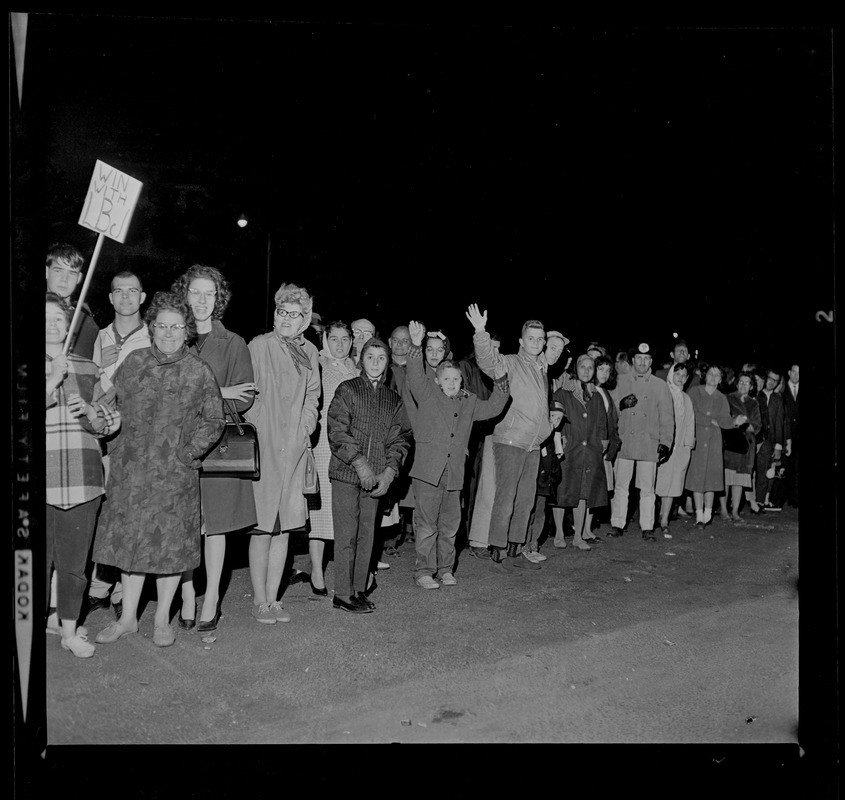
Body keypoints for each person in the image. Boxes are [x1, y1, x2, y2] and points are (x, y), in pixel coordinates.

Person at [92, 291, 225, 648]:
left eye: (176, 327)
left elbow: (214, 420)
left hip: (175, 476)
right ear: (151, 328)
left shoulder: (199, 371)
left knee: (171, 550)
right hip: (131, 471)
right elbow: (108, 404)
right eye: (161, 326)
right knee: (130, 546)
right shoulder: (134, 362)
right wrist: (105, 429)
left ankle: (163, 621)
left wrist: (189, 453)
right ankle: (128, 619)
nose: (168, 333)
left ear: (187, 331)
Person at [171, 265, 257, 632]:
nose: (202, 300)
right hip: (181, 447)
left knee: (216, 527)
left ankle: (211, 600)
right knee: (187, 525)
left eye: (209, 293)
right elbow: (167, 391)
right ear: (185, 295)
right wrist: (217, 393)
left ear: (218, 298)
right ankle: (188, 596)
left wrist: (205, 398)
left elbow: (244, 398)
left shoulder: (234, 342)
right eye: (195, 292)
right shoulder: (174, 337)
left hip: (219, 448)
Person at [405, 320, 509, 587]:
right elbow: (415, 374)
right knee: (427, 526)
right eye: (446, 379)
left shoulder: (469, 402)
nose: (451, 383)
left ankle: (446, 569)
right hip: (427, 473)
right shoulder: (427, 393)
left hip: (454, 475)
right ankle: (424, 572)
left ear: (461, 381)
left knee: (450, 527)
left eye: (456, 379)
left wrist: (501, 378)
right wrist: (416, 344)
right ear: (438, 381)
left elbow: (496, 406)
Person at [46, 293, 121, 656]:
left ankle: (70, 631)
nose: (52, 325)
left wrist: (91, 412)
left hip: (80, 478)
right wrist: (49, 383)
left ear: (70, 326)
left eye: (59, 318)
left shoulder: (88, 368)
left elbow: (112, 420)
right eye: (44, 318)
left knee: (75, 566)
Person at [245, 283, 321, 624]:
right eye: (282, 312)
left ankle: (275, 598)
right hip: (265, 447)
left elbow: (313, 397)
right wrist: (260, 423)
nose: (287, 319)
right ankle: (260, 600)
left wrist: (305, 427)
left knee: (285, 529)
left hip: (294, 449)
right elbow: (246, 394)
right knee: (263, 528)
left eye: (295, 314)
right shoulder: (259, 346)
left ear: (305, 319)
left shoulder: (311, 352)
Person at [465, 304, 554, 570]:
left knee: (526, 498)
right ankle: (498, 549)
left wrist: (547, 427)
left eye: (540, 339)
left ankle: (516, 548)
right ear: (521, 341)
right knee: (505, 497)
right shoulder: (511, 362)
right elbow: (487, 361)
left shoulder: (541, 369)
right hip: (511, 439)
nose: (536, 343)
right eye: (531, 339)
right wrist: (481, 331)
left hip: (534, 444)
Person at [327, 337, 413, 612]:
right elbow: (338, 431)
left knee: (367, 534)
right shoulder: (347, 390)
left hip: (376, 479)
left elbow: (401, 439)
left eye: (381, 358)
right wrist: (360, 464)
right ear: (360, 360)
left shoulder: (393, 400)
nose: (375, 363)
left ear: (388, 364)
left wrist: (388, 473)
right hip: (346, 474)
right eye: (370, 357)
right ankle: (342, 593)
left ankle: (358, 588)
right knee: (346, 534)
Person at [86, 270, 151, 619]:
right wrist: (101, 373)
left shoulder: (153, 337)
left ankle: (125, 591)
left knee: (132, 511)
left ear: (142, 297)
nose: (125, 297)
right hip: (103, 433)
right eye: (118, 292)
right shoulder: (97, 337)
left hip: (138, 436)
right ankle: (99, 584)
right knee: (105, 508)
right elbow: (86, 382)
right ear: (110, 298)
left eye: (132, 291)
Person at [306, 321, 359, 595]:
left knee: (346, 509)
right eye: (334, 339)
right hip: (324, 445)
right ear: (326, 339)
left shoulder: (356, 368)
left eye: (345, 339)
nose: (340, 344)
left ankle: (349, 572)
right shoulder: (319, 364)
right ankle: (316, 570)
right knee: (321, 510)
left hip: (350, 446)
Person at [608, 342, 674, 542]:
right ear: (633, 360)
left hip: (648, 443)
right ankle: (617, 523)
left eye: (646, 359)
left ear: (651, 361)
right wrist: (621, 404)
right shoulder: (620, 381)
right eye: (639, 358)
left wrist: (666, 442)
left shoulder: (660, 385)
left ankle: (647, 526)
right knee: (621, 486)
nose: (642, 362)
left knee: (647, 489)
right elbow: (609, 412)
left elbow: (667, 417)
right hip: (625, 441)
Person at [553, 355, 609, 551]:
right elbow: (554, 420)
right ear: (575, 369)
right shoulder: (563, 393)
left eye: (590, 367)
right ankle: (559, 534)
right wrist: (560, 440)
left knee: (584, 493)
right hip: (569, 449)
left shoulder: (596, 396)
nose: (586, 371)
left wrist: (602, 443)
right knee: (563, 490)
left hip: (590, 451)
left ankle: (578, 536)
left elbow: (602, 423)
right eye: (582, 367)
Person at [684, 364, 748, 529]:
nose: (713, 377)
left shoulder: (721, 398)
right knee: (698, 477)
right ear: (705, 376)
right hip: (697, 439)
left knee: (711, 478)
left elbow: (724, 420)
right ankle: (699, 516)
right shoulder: (695, 392)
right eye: (710, 374)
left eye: (717, 375)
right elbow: (691, 413)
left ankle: (708, 514)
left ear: (720, 380)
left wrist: (735, 422)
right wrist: (711, 421)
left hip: (714, 441)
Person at [655, 362, 696, 535]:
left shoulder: (686, 399)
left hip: (679, 449)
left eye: (683, 376)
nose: (679, 378)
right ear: (671, 375)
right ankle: (652, 517)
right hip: (663, 446)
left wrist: (686, 448)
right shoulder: (663, 393)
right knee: (658, 482)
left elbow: (689, 424)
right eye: (677, 374)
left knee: (673, 484)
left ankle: (665, 519)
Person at [524, 401, 564, 561]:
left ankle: (533, 545)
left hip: (544, 485)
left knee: (540, 515)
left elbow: (554, 465)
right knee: (529, 514)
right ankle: (524, 546)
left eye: (559, 418)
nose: (555, 421)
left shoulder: (554, 439)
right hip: (533, 483)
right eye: (552, 416)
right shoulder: (537, 436)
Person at [45, 243, 99, 359]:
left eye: (72, 273)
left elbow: (94, 368)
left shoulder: (88, 323)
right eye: (58, 270)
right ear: (46, 271)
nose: (64, 279)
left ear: (79, 278)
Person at [720, 372, 762, 520]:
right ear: (737, 384)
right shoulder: (728, 398)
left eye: (747, 383)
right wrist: (735, 420)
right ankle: (724, 510)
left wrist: (747, 424)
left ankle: (736, 511)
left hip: (746, 445)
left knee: (739, 480)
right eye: (741, 382)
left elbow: (757, 425)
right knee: (726, 477)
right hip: (731, 443)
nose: (744, 385)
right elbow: (723, 418)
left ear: (751, 387)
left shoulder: (754, 403)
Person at [590, 354, 622, 537]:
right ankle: (583, 530)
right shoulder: (590, 390)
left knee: (598, 489)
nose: (604, 373)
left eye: (607, 370)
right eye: (600, 369)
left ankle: (588, 529)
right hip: (594, 446)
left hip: (605, 448)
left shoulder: (604, 391)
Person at [755, 368, 786, 511]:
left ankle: (760, 501)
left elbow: (780, 423)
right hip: (754, 437)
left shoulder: (778, 400)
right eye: (770, 378)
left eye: (775, 380)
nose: (772, 382)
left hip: (769, 440)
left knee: (766, 470)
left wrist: (779, 445)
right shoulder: (756, 394)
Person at [782, 363, 799, 509]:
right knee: (784, 464)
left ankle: (794, 497)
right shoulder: (782, 390)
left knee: (797, 466)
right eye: (794, 372)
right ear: (789, 372)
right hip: (785, 432)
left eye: (799, 373)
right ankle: (779, 498)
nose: (796, 375)